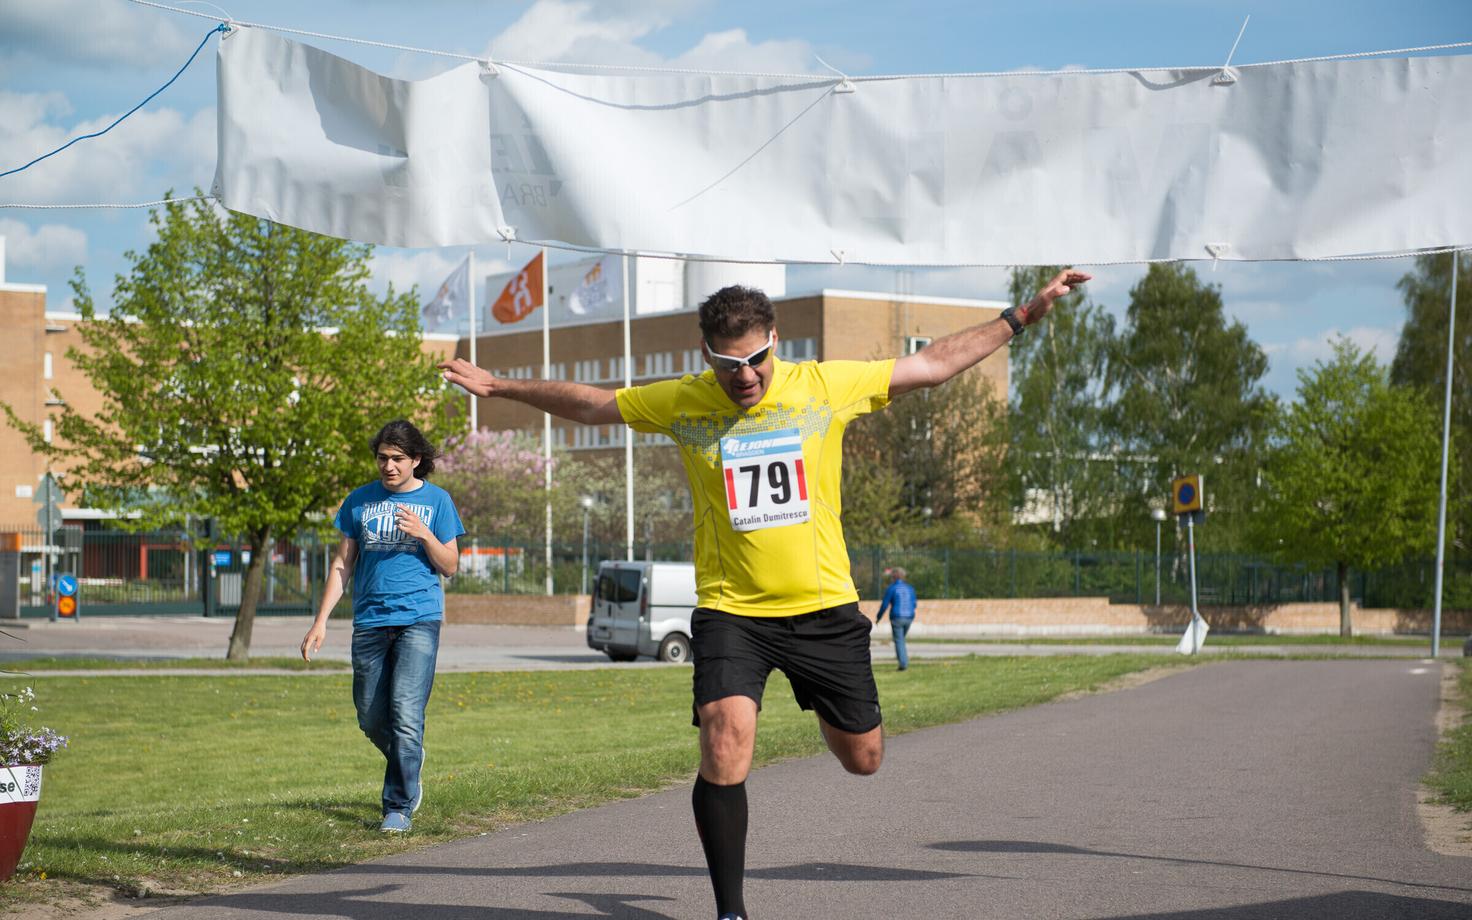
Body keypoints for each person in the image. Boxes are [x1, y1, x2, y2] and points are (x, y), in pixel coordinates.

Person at [439, 269, 1088, 919]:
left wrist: (1023, 315)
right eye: (728, 364)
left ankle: (821, 704)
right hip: (732, 610)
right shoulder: (686, 400)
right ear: (707, 357)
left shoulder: (826, 386)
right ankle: (730, 911)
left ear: (775, 340)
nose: (744, 376)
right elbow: (593, 404)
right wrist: (501, 386)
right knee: (723, 740)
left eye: (755, 359)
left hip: (824, 608)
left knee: (864, 759)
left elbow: (932, 364)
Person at [300, 419, 464, 834]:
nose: (388, 466)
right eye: (382, 458)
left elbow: (450, 566)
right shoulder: (359, 501)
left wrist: (425, 534)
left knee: (406, 714)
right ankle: (410, 758)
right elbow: (342, 564)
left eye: (397, 459)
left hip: (419, 619)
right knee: (370, 717)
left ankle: (398, 806)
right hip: (370, 621)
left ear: (416, 460)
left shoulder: (438, 501)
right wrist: (320, 622)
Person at [875, 566, 917, 671]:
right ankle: (903, 659)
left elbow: (884, 605)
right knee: (901, 639)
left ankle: (903, 664)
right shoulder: (910, 588)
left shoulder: (892, 588)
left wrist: (878, 617)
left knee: (899, 640)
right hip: (909, 617)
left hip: (897, 617)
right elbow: (914, 604)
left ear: (893, 577)